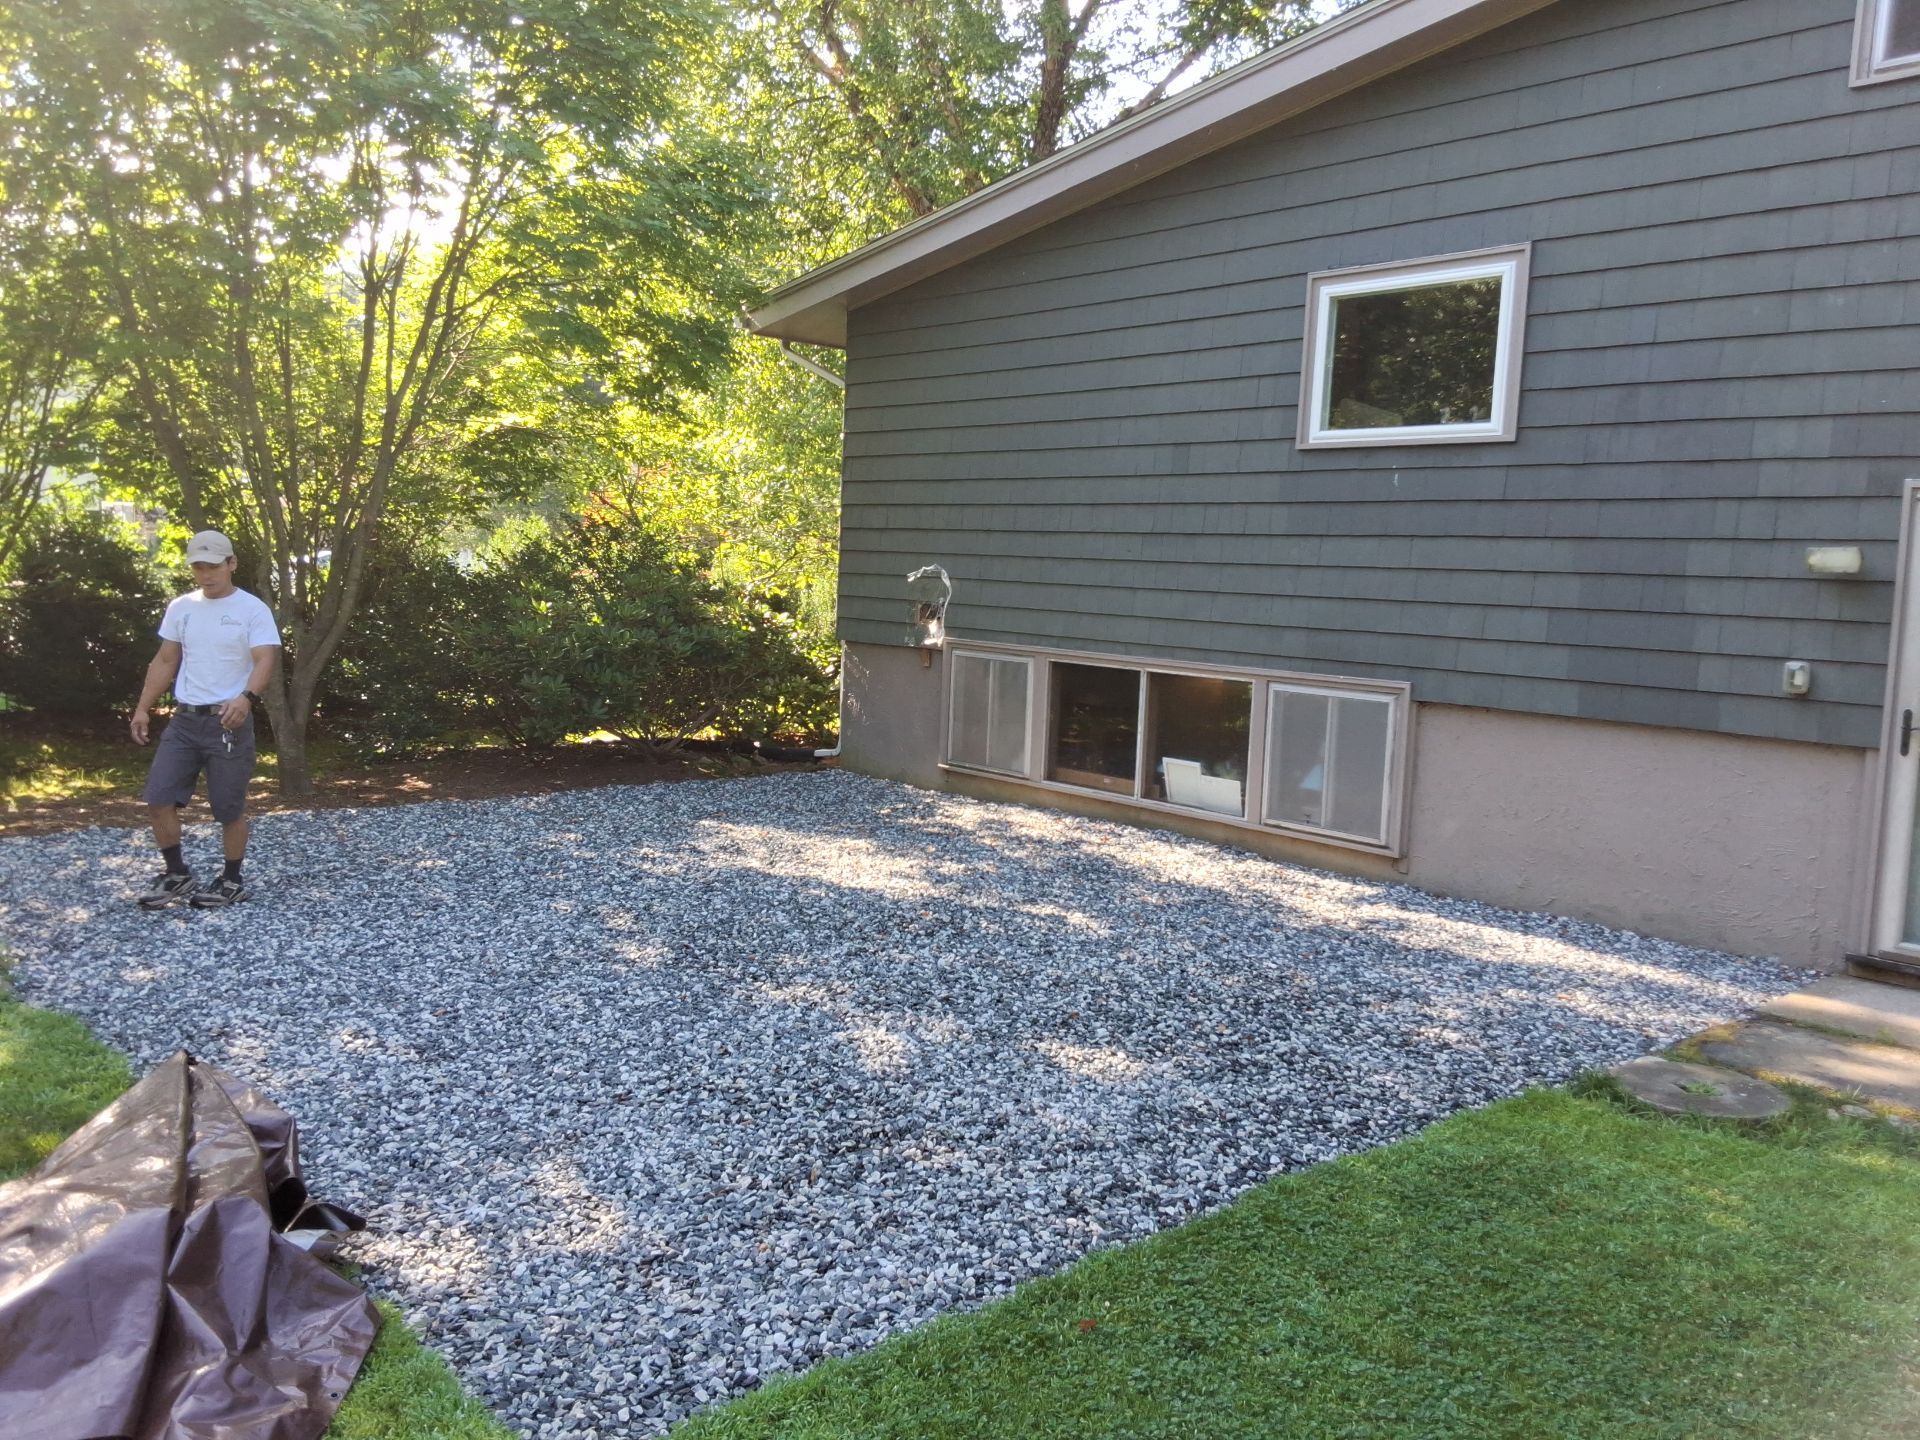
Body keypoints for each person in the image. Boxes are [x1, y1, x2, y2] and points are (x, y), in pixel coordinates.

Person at [129, 530, 282, 909]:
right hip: (184, 721)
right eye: (198, 566)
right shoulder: (181, 607)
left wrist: (246, 698)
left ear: (231, 564)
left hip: (227, 722)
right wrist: (143, 707)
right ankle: (176, 873)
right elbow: (166, 660)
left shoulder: (252, 610)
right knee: (159, 797)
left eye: (213, 566)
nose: (206, 574)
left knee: (228, 807)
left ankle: (231, 880)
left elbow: (266, 659)